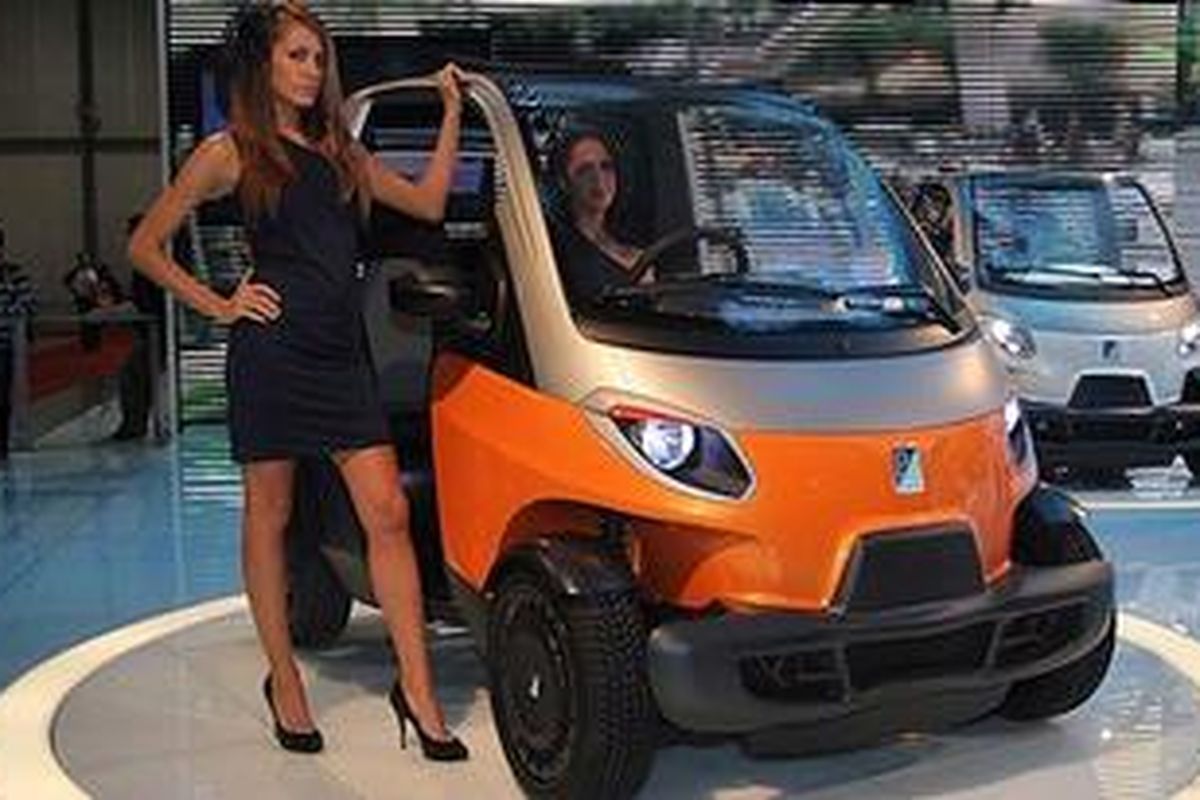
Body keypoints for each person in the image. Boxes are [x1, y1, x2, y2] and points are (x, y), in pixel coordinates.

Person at [128, 1, 468, 760]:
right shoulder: (229, 152)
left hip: (343, 357)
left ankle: (417, 690)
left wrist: (451, 111)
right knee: (270, 516)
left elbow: (428, 201)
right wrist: (219, 304)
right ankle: (284, 681)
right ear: (265, 65)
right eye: (296, 56)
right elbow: (146, 245)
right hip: (273, 355)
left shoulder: (341, 151)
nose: (312, 71)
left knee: (387, 512)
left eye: (318, 58)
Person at [549, 129, 645, 302]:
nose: (598, 179)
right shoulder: (558, 251)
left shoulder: (631, 239)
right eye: (584, 170)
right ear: (564, 182)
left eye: (606, 166)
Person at [112, 213, 166, 441]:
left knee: (133, 374)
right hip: (155, 332)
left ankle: (135, 425)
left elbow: (147, 301)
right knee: (137, 374)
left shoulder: (149, 263)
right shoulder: (152, 261)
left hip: (159, 332)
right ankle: (136, 424)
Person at [0, 225, 37, 464]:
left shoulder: (15, 275)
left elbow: (26, 306)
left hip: (4, 345)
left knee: (2, 397)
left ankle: (2, 447)